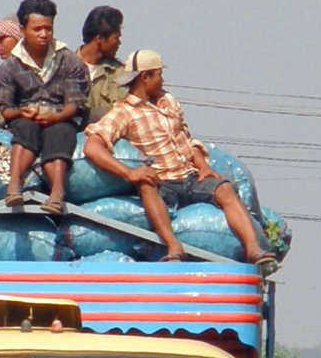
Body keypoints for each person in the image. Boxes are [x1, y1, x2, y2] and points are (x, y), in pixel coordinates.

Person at [83, 49, 276, 271]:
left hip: (189, 176)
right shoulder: (123, 112)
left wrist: (203, 166)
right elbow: (92, 147)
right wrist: (129, 172)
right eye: (158, 75)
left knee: (225, 188)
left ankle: (253, 250)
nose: (162, 80)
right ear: (145, 77)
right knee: (145, 185)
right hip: (163, 183)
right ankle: (173, 246)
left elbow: (187, 139)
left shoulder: (169, 102)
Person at [0, 0, 90, 215]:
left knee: (60, 134)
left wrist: (57, 117)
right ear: (23, 29)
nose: (44, 34)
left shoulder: (69, 60)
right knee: (24, 130)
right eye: (37, 29)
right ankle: (14, 186)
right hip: (25, 118)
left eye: (48, 28)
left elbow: (75, 103)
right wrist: (22, 113)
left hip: (61, 117)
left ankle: (57, 193)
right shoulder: (10, 66)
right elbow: (3, 107)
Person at [77, 4, 128, 121]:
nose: (119, 43)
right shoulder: (64, 66)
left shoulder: (120, 72)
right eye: (116, 38)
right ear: (100, 39)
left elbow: (124, 112)